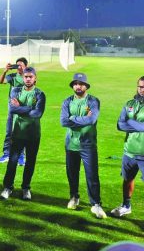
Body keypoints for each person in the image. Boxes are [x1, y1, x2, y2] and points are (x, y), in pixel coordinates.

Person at [60, 73, 106, 219]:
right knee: (72, 174)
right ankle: (74, 197)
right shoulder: (67, 101)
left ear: (86, 86)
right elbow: (63, 122)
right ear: (73, 86)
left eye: (81, 83)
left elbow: (92, 119)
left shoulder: (93, 101)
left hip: (88, 144)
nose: (78, 86)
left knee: (92, 175)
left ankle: (96, 204)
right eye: (75, 83)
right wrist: (82, 119)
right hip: (71, 144)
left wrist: (73, 118)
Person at [0, 67, 45, 200]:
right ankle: (8, 188)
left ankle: (26, 188)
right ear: (23, 77)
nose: (28, 79)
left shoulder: (40, 94)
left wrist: (21, 107)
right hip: (18, 133)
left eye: (31, 76)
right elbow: (12, 109)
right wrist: (29, 108)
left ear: (35, 78)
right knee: (12, 162)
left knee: (30, 162)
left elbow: (38, 113)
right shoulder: (16, 90)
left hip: (33, 134)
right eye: (26, 77)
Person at [111, 76, 144, 217]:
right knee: (127, 179)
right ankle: (126, 205)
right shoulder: (129, 103)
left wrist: (130, 122)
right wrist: (140, 126)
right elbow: (120, 124)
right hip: (129, 151)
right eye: (140, 87)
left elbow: (127, 123)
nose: (142, 90)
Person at [0, 57, 28, 166]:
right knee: (9, 131)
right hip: (12, 109)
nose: (18, 67)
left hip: (23, 109)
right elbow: (1, 81)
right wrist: (5, 71)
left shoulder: (28, 77)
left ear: (25, 66)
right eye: (17, 65)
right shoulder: (13, 76)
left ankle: (21, 156)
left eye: (21, 65)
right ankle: (6, 154)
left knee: (21, 133)